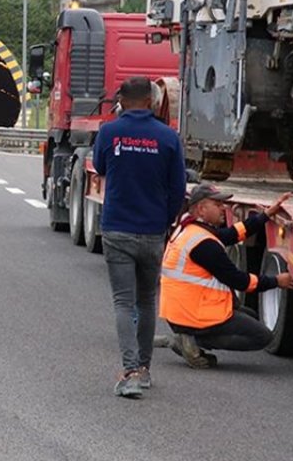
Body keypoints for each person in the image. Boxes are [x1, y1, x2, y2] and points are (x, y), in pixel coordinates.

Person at [93, 76, 187, 398]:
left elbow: (99, 166)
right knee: (147, 301)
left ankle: (129, 370)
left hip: (117, 227)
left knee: (123, 301)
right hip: (152, 231)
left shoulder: (109, 131)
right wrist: (166, 221)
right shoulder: (169, 137)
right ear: (150, 101)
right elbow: (178, 188)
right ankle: (144, 370)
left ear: (122, 100)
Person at [160, 184, 293, 368]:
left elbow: (230, 235)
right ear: (201, 209)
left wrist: (265, 216)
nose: (223, 208)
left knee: (250, 315)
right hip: (192, 314)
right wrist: (277, 281)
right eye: (217, 204)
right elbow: (239, 281)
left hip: (181, 311)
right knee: (263, 336)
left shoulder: (189, 229)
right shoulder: (204, 244)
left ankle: (190, 337)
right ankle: (192, 341)